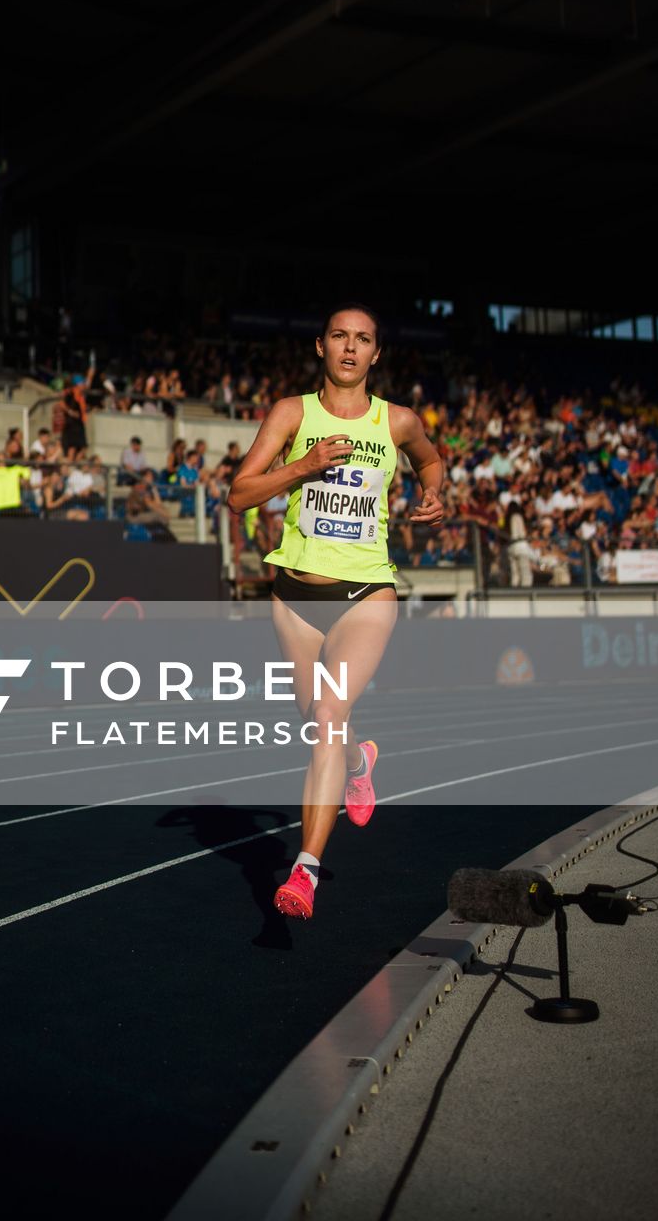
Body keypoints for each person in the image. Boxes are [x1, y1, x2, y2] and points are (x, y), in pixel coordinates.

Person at [229, 304, 443, 922]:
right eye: (340, 337)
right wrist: (303, 464)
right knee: (316, 719)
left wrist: (432, 493)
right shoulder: (291, 414)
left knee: (325, 714)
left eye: (364, 340)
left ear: (377, 355)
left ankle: (306, 870)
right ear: (320, 346)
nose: (351, 348)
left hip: (365, 593)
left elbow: (429, 460)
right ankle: (359, 761)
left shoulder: (397, 420)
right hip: (295, 596)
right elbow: (240, 493)